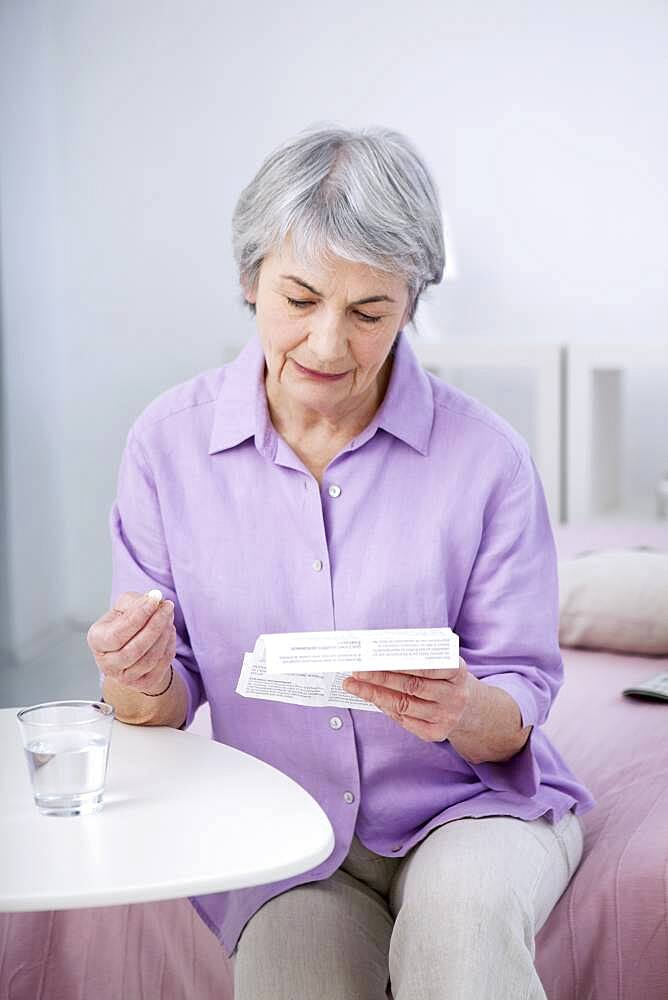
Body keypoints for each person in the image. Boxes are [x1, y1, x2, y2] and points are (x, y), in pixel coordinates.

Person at [87, 123, 595, 1000]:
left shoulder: (488, 459)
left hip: (471, 807)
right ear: (249, 281)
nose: (328, 346)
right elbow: (158, 700)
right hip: (284, 833)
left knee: (460, 942)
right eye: (299, 298)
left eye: (369, 313)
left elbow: (520, 691)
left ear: (410, 305)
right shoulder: (166, 447)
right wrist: (134, 677)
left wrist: (464, 706)